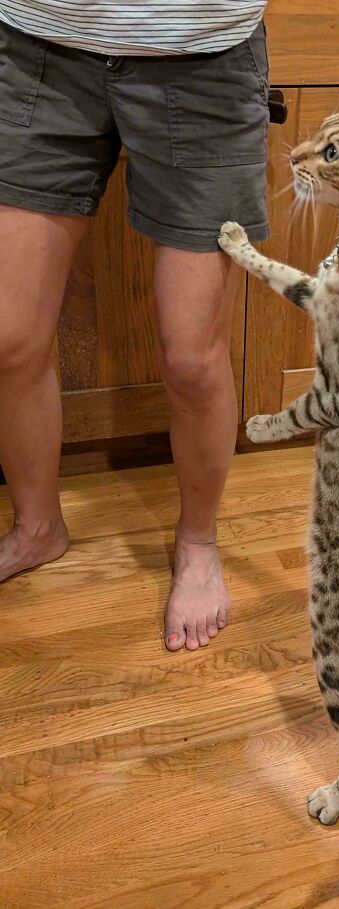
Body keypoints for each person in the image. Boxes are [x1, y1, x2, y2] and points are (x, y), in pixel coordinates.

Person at [0, 2, 269, 651]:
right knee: (7, 338)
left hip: (203, 52)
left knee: (191, 357)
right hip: (35, 44)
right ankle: (38, 527)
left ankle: (199, 542)